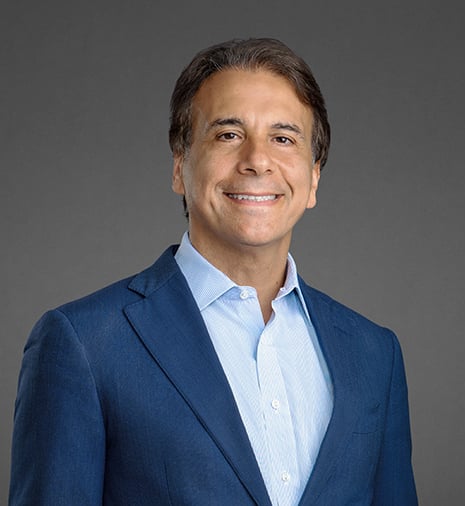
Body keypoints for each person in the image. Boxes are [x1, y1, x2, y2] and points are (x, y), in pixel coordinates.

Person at [9, 38, 418, 505]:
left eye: (283, 138)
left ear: (314, 178)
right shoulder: (84, 344)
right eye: (228, 134)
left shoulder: (374, 353)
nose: (257, 160)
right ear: (180, 166)